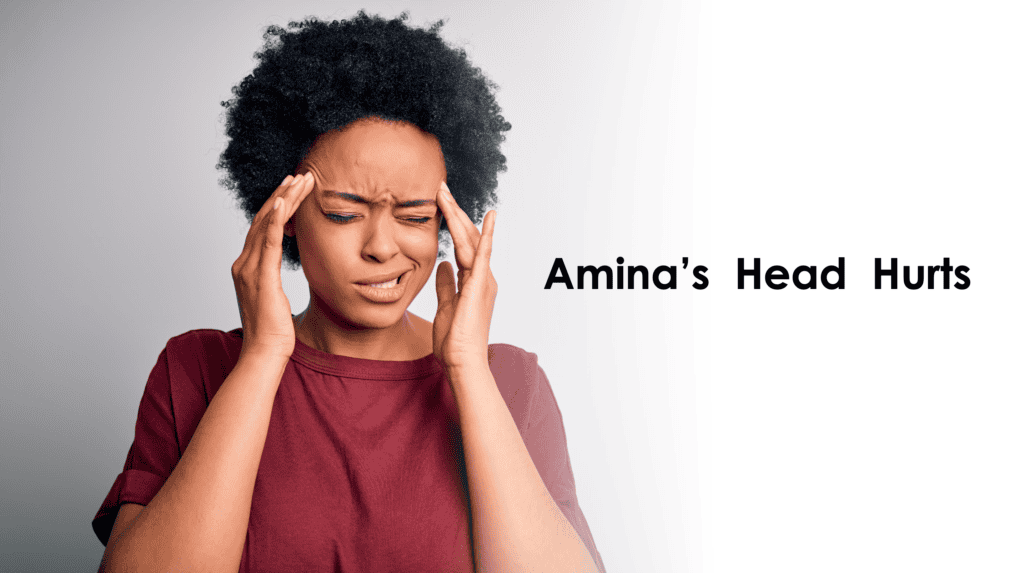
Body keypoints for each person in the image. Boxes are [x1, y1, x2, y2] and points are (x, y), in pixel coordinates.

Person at [92, 12, 604, 573]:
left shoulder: (511, 383)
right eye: (342, 214)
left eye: (415, 215)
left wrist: (467, 370)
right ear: (285, 214)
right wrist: (263, 358)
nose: (382, 247)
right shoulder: (197, 368)